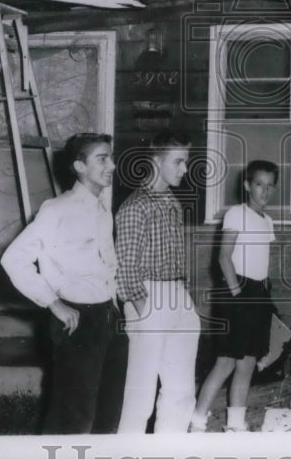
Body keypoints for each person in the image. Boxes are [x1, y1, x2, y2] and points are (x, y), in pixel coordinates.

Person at [0, 133, 127, 434]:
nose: (112, 164)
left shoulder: (102, 210)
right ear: (79, 166)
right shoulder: (57, 209)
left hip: (108, 317)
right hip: (77, 320)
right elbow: (13, 259)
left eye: (111, 157)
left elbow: (107, 265)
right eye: (102, 158)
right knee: (73, 417)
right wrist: (53, 303)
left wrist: (117, 306)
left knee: (108, 413)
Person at [114, 130, 201, 433]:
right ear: (155, 161)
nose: (185, 169)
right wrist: (143, 308)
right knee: (140, 395)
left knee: (181, 392)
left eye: (185, 162)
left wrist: (182, 297)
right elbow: (125, 266)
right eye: (178, 162)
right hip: (148, 296)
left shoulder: (171, 202)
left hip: (176, 295)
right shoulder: (134, 207)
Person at [190, 160, 278, 433]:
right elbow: (224, 256)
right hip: (235, 291)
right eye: (259, 184)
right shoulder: (236, 214)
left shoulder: (267, 221)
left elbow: (261, 259)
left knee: (248, 362)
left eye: (270, 185)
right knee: (226, 361)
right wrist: (237, 292)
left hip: (257, 292)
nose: (264, 191)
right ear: (247, 185)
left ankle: (236, 425)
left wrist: (263, 294)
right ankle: (196, 423)